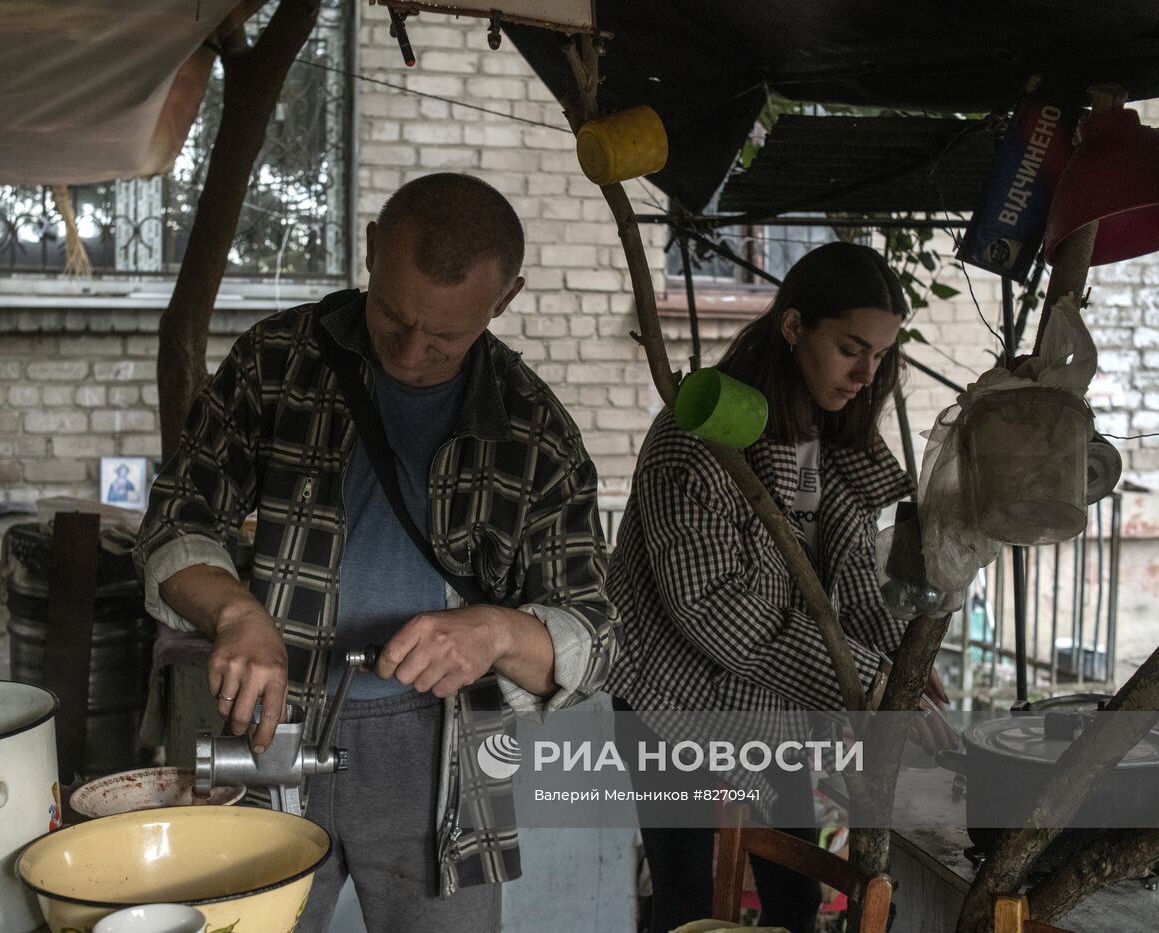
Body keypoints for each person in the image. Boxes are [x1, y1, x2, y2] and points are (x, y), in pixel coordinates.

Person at [134, 173, 616, 933]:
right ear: (371, 250)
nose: (412, 349)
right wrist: (236, 615)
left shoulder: (533, 431)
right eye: (392, 313)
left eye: (447, 335)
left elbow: (595, 635)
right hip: (268, 718)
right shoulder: (277, 361)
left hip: (448, 751)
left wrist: (492, 631)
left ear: (507, 298)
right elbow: (175, 520)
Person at [606, 241, 949, 933]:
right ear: (794, 327)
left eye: (880, 356)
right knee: (688, 904)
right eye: (852, 347)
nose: (866, 373)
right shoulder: (695, 436)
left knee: (794, 895)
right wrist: (861, 676)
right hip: (673, 707)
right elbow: (713, 603)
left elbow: (847, 575)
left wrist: (900, 668)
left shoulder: (814, 441)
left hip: (771, 709)